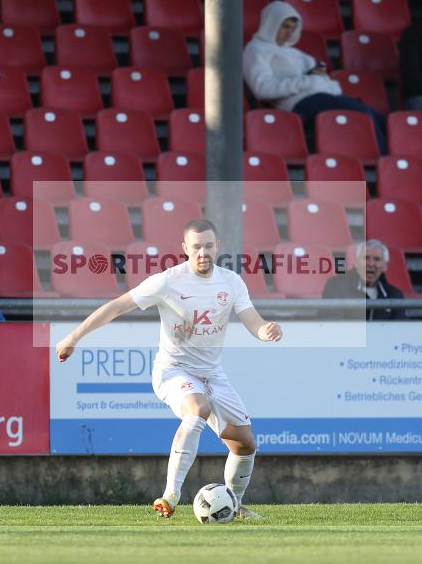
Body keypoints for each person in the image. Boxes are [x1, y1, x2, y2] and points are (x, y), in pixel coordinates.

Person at [56, 219, 283, 520]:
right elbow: (117, 306)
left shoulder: (231, 282)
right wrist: (74, 336)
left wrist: (264, 329)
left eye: (208, 246)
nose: (203, 252)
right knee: (197, 407)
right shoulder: (167, 281)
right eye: (197, 247)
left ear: (218, 247)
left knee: (245, 444)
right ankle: (171, 495)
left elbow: (251, 319)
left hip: (213, 374)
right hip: (173, 370)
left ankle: (235, 505)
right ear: (185, 249)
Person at [242, 0, 388, 154]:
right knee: (363, 116)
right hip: (297, 103)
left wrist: (316, 78)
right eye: (284, 26)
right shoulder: (255, 50)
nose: (289, 33)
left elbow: (312, 80)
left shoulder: (295, 52)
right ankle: (383, 162)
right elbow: (262, 88)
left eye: (292, 28)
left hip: (320, 96)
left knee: (381, 119)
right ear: (271, 23)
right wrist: (309, 81)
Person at [322, 240, 406, 320]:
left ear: (385, 266)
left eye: (377, 259)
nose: (371, 264)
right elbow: (333, 327)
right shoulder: (336, 286)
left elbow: (400, 331)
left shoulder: (395, 295)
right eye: (366, 258)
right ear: (356, 263)